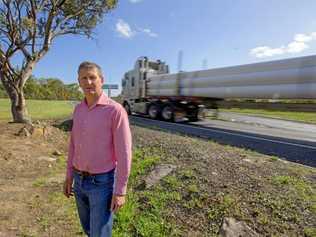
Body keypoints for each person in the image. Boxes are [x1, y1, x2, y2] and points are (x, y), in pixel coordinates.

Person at [63, 61, 132, 237]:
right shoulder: (78, 110)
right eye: (83, 78)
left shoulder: (115, 111)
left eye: (92, 77)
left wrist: (120, 191)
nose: (88, 82)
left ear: (101, 79)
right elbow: (73, 144)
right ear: (79, 82)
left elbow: (124, 154)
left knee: (100, 234)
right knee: (88, 230)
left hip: (102, 184)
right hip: (79, 181)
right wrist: (69, 176)